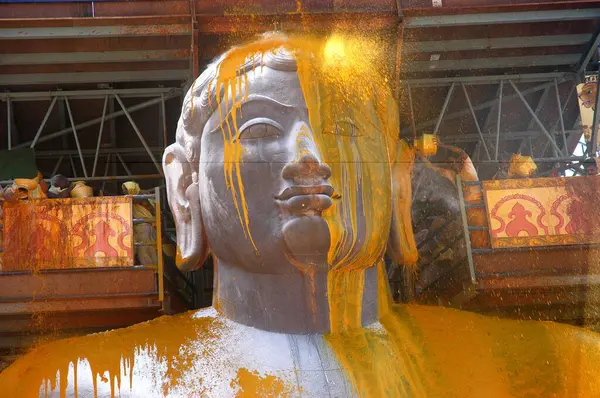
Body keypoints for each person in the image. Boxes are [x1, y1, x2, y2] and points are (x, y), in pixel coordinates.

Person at [3, 33, 600, 397]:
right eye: (260, 128)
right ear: (184, 189)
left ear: (396, 181)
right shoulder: (64, 384)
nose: (309, 160)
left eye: (342, 130)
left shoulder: (562, 371)